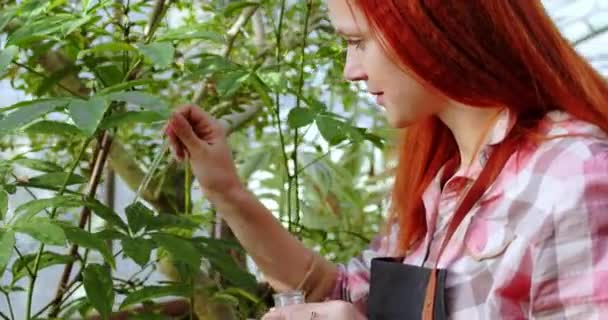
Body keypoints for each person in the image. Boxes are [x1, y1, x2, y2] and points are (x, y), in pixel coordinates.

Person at [164, 0, 608, 319]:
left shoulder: (572, 178)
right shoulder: (445, 176)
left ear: (432, 24)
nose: (349, 70)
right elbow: (341, 292)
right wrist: (225, 190)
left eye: (357, 42)